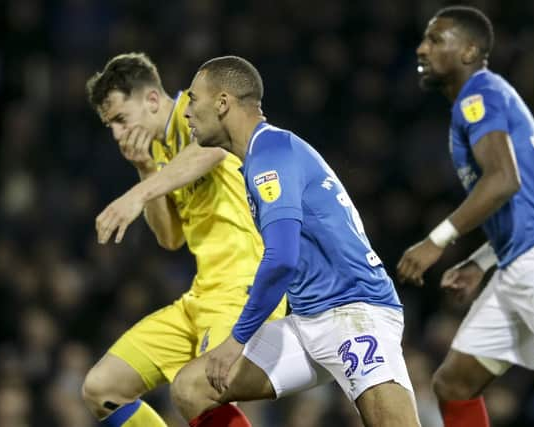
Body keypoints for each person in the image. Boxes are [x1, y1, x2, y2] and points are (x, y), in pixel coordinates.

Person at [170, 55, 420, 427]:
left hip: (353, 313)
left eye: (193, 99)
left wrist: (236, 339)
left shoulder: (272, 154)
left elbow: (282, 258)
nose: (187, 112)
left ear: (222, 103)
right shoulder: (258, 157)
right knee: (192, 387)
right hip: (307, 321)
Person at [397, 6, 534, 427]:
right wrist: (481, 261)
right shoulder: (482, 100)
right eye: (425, 38)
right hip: (520, 262)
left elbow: (502, 181)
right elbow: (525, 199)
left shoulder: (479, 95)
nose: (422, 48)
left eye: (436, 39)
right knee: (453, 384)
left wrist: (435, 241)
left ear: (469, 51)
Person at [81, 52, 287, 427]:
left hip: (244, 288)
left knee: (200, 389)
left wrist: (136, 197)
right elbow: (170, 238)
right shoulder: (160, 154)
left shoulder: (200, 119)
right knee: (102, 388)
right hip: (201, 296)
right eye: (109, 125)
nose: (116, 133)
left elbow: (210, 150)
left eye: (120, 119)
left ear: (153, 100)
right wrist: (145, 170)